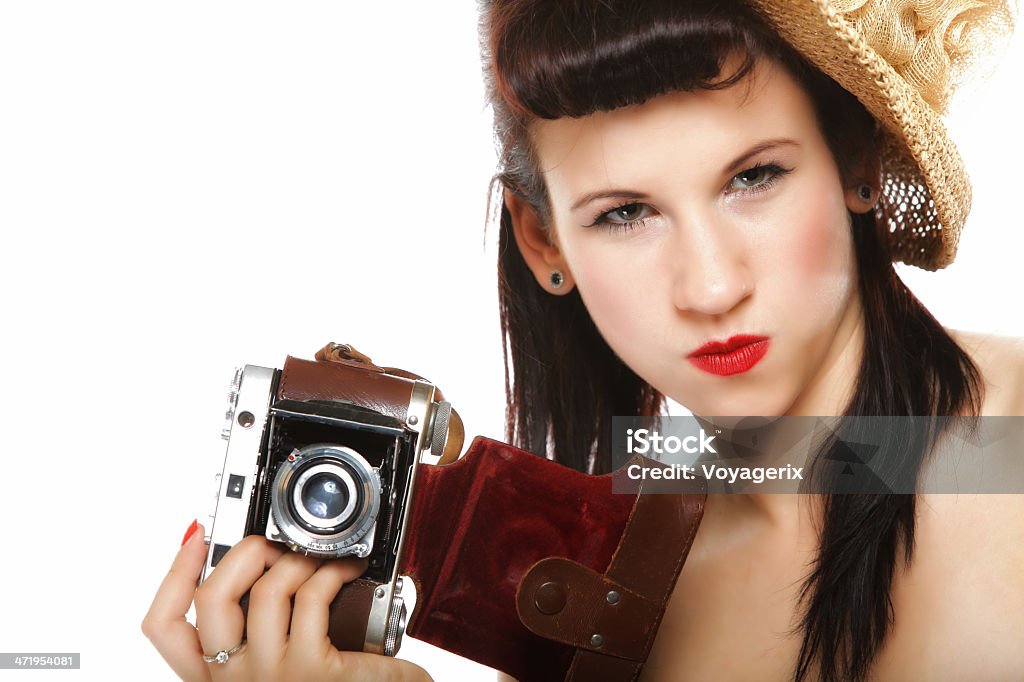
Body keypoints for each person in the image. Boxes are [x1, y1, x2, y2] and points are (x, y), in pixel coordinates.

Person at [144, 0, 1024, 680]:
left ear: (858, 162)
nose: (712, 286)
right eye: (627, 214)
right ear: (545, 243)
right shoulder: (600, 599)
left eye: (755, 177)